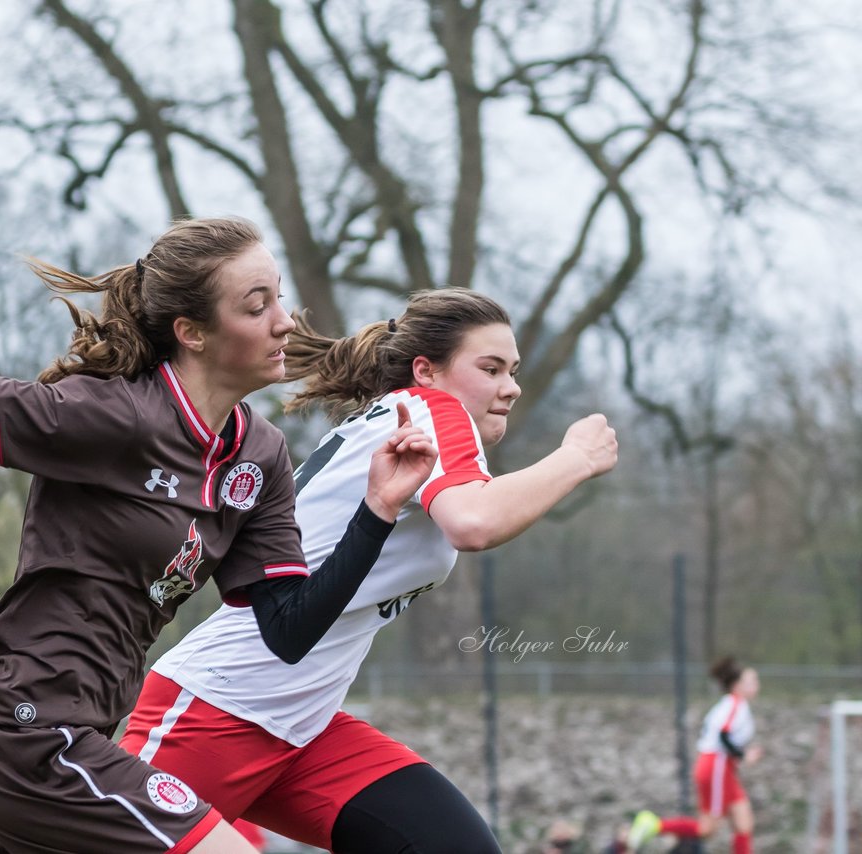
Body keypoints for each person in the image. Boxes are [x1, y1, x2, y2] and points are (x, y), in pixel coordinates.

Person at [0, 216, 438, 853]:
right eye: (256, 305)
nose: (284, 321)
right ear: (193, 333)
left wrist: (375, 511)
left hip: (78, 733)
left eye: (280, 297)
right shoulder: (117, 413)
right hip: (33, 732)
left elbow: (289, 631)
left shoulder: (258, 457)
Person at [120, 288, 619, 854]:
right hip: (217, 712)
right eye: (491, 368)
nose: (512, 386)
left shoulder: (403, 421)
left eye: (514, 370)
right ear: (426, 372)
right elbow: (474, 521)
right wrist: (576, 457)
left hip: (304, 726)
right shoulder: (433, 410)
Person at [627, 657, 762, 854]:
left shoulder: (732, 704)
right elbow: (723, 735)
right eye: (751, 681)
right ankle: (654, 824)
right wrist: (743, 755)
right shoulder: (735, 704)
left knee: (744, 821)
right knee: (706, 829)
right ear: (736, 685)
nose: (756, 685)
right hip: (717, 766)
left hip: (722, 768)